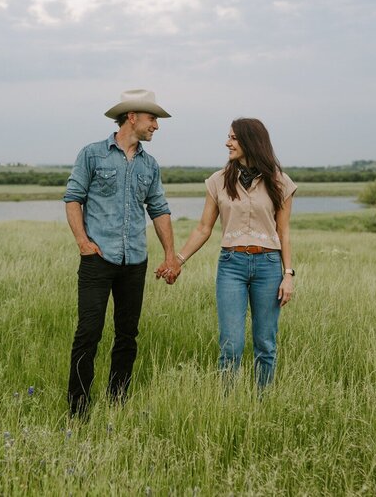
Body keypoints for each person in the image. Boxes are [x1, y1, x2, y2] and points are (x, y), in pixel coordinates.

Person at [63, 89, 182, 417]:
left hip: (135, 262)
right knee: (89, 333)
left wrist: (170, 256)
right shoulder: (92, 154)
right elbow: (73, 198)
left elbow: (159, 209)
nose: (156, 125)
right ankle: (78, 409)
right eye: (152, 118)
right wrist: (82, 242)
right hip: (98, 259)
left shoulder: (149, 164)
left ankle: (117, 401)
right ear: (132, 116)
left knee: (127, 334)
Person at [157, 117, 296, 390]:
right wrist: (177, 260)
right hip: (232, 266)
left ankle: (262, 402)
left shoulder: (280, 182)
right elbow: (203, 228)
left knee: (265, 343)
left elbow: (284, 231)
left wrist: (288, 274)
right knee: (231, 345)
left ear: (250, 141)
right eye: (228, 137)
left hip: (268, 266)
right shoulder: (218, 181)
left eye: (233, 138)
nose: (227, 143)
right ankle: (227, 403)